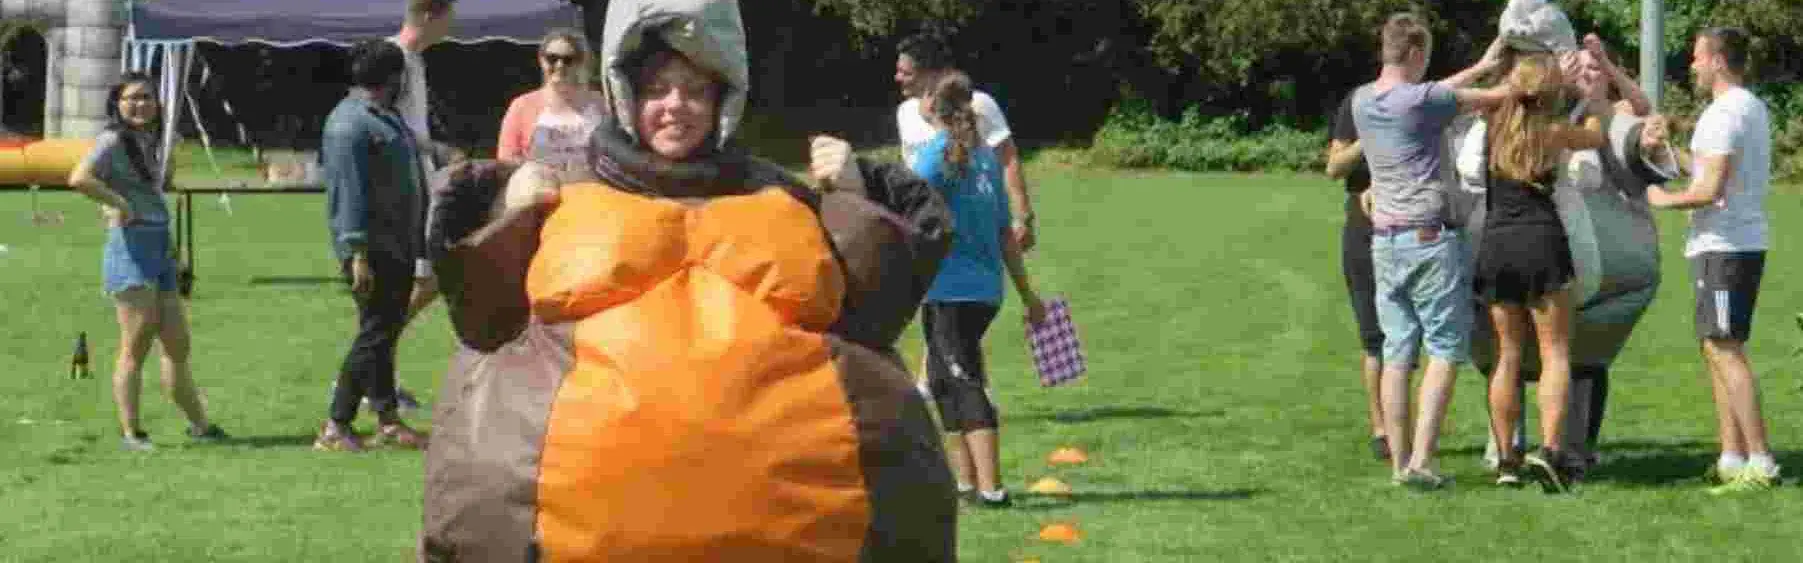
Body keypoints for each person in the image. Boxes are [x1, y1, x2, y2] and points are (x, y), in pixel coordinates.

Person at [418, 0, 957, 559]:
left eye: (696, 89)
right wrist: (507, 203)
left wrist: (857, 192)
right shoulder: (561, 196)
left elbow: (881, 302)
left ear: (726, 95)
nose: (675, 107)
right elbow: (479, 313)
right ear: (624, 91)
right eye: (657, 89)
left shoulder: (783, 200)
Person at [1351, 12, 1512, 489]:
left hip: (1384, 241)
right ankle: (1424, 459)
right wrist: (1534, 76)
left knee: (1398, 352)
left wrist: (1482, 63)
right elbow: (1493, 99)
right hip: (1430, 240)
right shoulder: (1422, 101)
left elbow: (1439, 90)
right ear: (1417, 53)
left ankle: (1401, 465)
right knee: (1445, 348)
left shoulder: (1364, 100)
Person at [1645, 27, 1780, 494]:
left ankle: (1760, 462)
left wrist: (1660, 200)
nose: (1693, 66)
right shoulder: (1747, 107)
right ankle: (1730, 457)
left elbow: (1707, 190)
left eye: (1699, 58)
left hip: (1725, 246)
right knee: (1715, 347)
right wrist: (1665, 154)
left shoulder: (1725, 113)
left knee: (1725, 347)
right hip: (1729, 244)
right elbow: (1706, 169)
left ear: (1719, 61)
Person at [1468, 52, 1606, 492]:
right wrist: (1594, 99)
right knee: (1555, 353)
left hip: (1497, 244)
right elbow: (1596, 138)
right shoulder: (1553, 132)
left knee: (1506, 355)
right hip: (1543, 243)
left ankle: (1506, 460)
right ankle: (1549, 450)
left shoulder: (1491, 131)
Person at [67, 72, 227, 451]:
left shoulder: (158, 139)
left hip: (159, 245)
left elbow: (160, 184)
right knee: (135, 346)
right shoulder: (111, 140)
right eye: (132, 98)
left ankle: (200, 426)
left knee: (177, 345)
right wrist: (118, 204)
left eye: (147, 98)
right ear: (117, 103)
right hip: (130, 249)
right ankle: (132, 434)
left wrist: (167, 156)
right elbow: (79, 177)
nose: (140, 105)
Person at [911, 70, 1048, 508]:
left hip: (950, 292)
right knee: (943, 379)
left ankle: (991, 489)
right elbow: (1005, 232)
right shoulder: (987, 157)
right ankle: (966, 485)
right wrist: (1027, 294)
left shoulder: (933, 158)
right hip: (983, 291)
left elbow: (905, 220)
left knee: (963, 381)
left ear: (931, 102)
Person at [315, 39, 430, 452]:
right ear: (393, 77)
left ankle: (387, 420)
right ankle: (336, 424)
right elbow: (349, 193)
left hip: (396, 242)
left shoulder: (384, 116)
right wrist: (357, 252)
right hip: (373, 246)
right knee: (375, 334)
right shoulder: (350, 123)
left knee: (382, 332)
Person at [1325, 84, 1387, 461]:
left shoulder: (1423, 97)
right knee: (1374, 335)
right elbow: (1334, 166)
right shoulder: (1358, 102)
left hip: (1413, 221)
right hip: (1364, 227)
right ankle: (1382, 430)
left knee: (1419, 337)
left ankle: (1408, 426)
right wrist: (1370, 138)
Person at [391, 0, 456, 326]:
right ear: (430, 16)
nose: (450, 28)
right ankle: (374, 356)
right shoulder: (394, 59)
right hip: (400, 187)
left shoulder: (415, 60)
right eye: (448, 19)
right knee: (430, 273)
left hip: (422, 180)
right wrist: (438, 149)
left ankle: (379, 359)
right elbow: (385, 126)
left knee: (434, 273)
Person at [496, 29, 607, 191]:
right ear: (541, 61)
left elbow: (616, 154)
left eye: (569, 59)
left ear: (582, 62)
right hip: (540, 197)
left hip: (595, 196)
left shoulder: (600, 103)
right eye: (552, 58)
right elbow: (506, 160)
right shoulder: (522, 106)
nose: (560, 65)